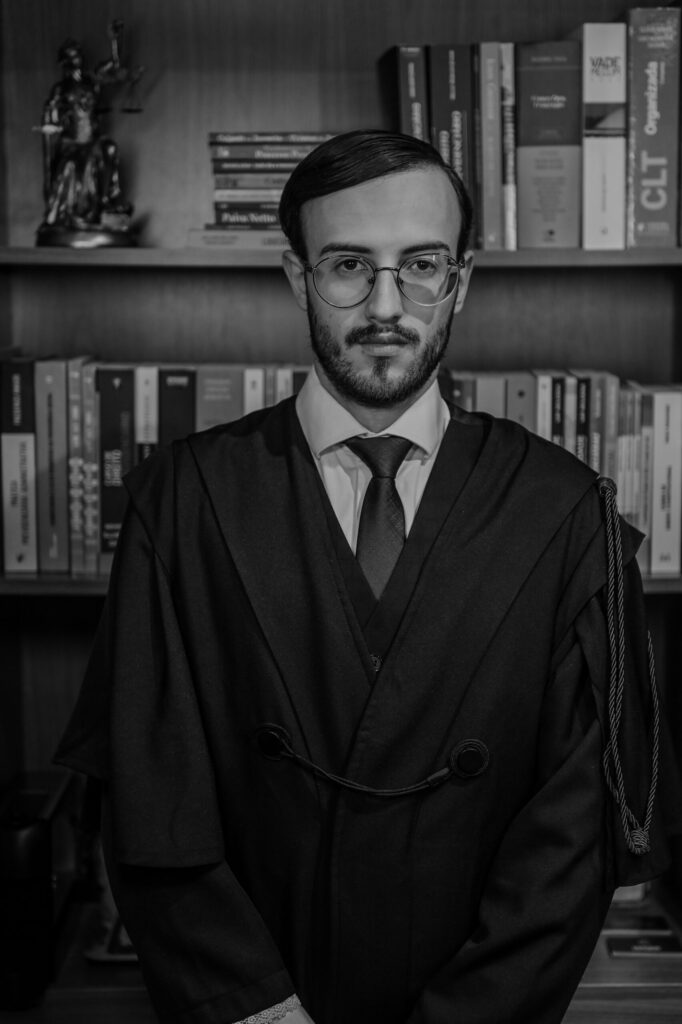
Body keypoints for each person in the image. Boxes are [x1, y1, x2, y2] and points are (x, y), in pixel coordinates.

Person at [55, 129, 681, 1024]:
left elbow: (573, 833)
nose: (387, 305)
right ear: (296, 275)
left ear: (460, 280)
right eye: (349, 264)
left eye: (421, 265)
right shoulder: (183, 500)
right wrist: (261, 1011)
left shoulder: (565, 511)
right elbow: (153, 798)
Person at [38, 33, 133, 244]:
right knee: (75, 163)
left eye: (78, 55)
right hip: (72, 143)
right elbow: (50, 123)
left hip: (92, 139)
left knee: (108, 148)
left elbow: (114, 65)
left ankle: (105, 202)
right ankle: (78, 213)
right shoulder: (61, 89)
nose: (77, 59)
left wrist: (115, 41)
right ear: (65, 62)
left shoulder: (92, 81)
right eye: (72, 56)